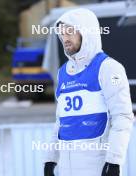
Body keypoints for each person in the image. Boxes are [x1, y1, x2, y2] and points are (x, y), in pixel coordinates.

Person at [44, 8, 134, 176]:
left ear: (86, 32)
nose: (65, 38)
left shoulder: (108, 67)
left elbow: (122, 116)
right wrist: (50, 160)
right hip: (66, 167)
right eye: (62, 33)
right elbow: (60, 121)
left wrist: (114, 162)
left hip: (97, 166)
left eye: (70, 32)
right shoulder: (63, 72)